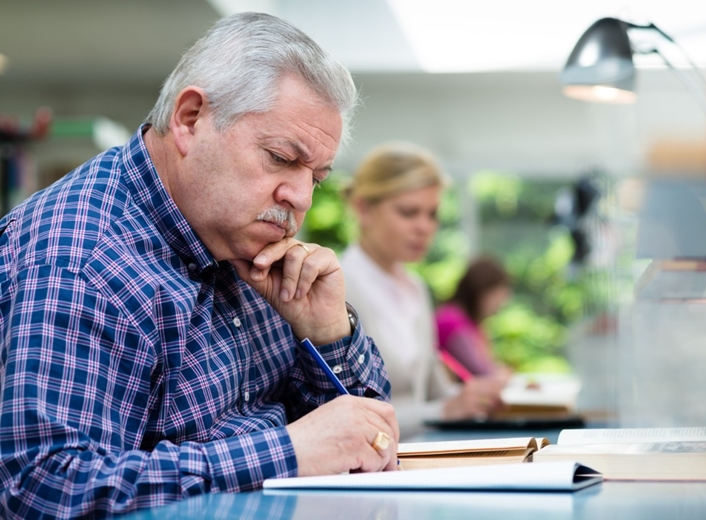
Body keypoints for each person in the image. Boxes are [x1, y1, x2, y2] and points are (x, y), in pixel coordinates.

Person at [0, 13, 399, 518]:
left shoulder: (240, 238)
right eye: (280, 157)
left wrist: (327, 334)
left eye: (315, 177)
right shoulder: (84, 255)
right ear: (189, 119)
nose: (299, 198)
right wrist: (289, 452)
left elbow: (365, 437)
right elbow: (44, 489)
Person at [340, 142, 506, 438]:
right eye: (408, 212)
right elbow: (346, 414)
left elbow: (436, 390)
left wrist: (477, 395)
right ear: (363, 208)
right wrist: (442, 411)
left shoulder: (415, 289)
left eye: (432, 214)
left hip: (419, 456)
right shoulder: (338, 287)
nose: (424, 227)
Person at [435, 256, 513, 380]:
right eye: (496, 296)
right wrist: (501, 373)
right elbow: (481, 372)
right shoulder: (451, 320)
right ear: (480, 290)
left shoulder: (470, 322)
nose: (499, 305)